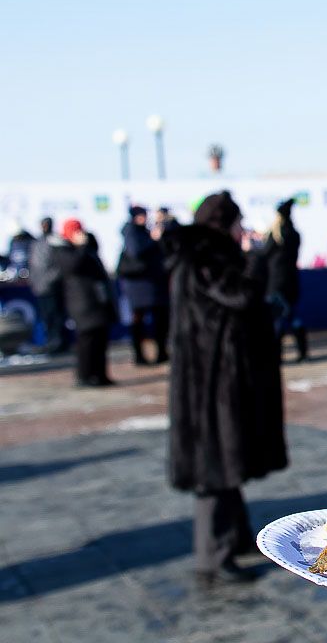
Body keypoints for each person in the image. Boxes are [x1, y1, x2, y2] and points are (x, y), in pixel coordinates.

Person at [162, 191, 287, 586]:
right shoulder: (208, 254)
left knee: (225, 461)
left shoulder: (196, 252)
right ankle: (213, 556)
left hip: (210, 376)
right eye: (236, 222)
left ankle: (235, 538)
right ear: (223, 223)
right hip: (212, 381)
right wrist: (258, 258)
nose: (240, 230)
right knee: (213, 469)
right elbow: (241, 295)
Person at [58, 218, 116, 387]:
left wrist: (88, 242)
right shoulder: (63, 249)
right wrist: (81, 247)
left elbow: (95, 254)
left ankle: (100, 374)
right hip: (81, 302)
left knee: (100, 339)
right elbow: (74, 266)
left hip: (97, 299)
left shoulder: (87, 247)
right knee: (86, 341)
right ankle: (84, 376)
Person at [118, 205, 170, 365]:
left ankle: (161, 352)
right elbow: (136, 251)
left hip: (153, 284)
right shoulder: (131, 231)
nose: (145, 218)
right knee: (138, 321)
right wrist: (153, 239)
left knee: (160, 319)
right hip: (139, 285)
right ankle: (139, 356)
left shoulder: (145, 231)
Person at [262, 199, 308, 362]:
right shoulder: (294, 234)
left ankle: (277, 355)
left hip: (276, 283)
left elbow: (263, 255)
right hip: (291, 281)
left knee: (278, 319)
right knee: (292, 316)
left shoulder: (275, 235)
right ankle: (303, 352)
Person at [28, 217, 69, 354]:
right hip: (41, 287)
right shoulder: (36, 242)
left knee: (57, 316)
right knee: (47, 317)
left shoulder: (55, 241)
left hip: (53, 287)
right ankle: (51, 342)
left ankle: (59, 342)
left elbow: (60, 265)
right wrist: (34, 281)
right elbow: (33, 265)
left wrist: (52, 280)